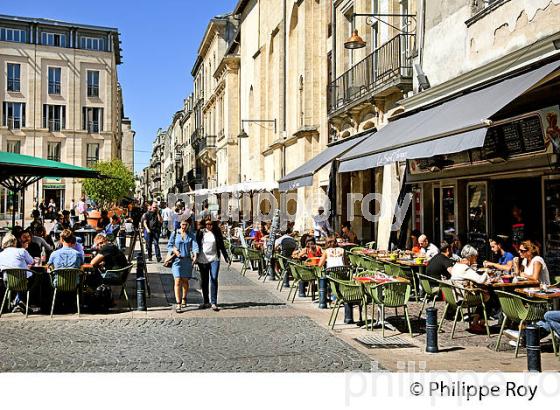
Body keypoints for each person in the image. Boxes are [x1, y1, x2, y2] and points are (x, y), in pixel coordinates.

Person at [449, 244, 490, 333]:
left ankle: (478, 322)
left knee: (485, 294)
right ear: (471, 257)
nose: (476, 259)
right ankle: (477, 323)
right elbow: (480, 280)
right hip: (465, 297)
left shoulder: (457, 265)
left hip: (457, 295)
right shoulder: (465, 269)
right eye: (475, 257)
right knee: (489, 296)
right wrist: (486, 272)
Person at [196, 219, 229, 311]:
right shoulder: (200, 232)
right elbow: (196, 244)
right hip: (202, 259)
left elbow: (221, 245)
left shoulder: (216, 232)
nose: (209, 226)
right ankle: (206, 301)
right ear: (204, 225)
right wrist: (195, 256)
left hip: (214, 258)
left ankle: (214, 302)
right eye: (207, 224)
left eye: (211, 224)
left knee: (214, 278)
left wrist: (226, 256)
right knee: (204, 280)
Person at [167, 218, 199, 313]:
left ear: (188, 225)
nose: (184, 226)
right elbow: (169, 245)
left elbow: (195, 246)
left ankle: (184, 298)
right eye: (182, 224)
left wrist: (195, 255)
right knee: (177, 280)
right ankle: (178, 303)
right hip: (177, 261)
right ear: (180, 224)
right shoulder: (175, 233)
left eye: (186, 225)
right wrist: (174, 250)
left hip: (187, 261)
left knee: (185, 281)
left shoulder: (191, 235)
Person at [0, 233, 34, 312]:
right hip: (23, 281)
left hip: (8, 281)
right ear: (15, 242)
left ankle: (17, 302)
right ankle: (18, 301)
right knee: (34, 277)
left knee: (18, 281)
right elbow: (32, 262)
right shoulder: (21, 251)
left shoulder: (1, 254)